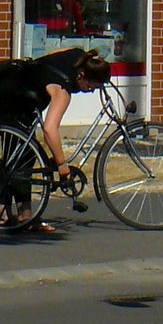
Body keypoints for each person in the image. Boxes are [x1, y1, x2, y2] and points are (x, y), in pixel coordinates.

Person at [0, 48, 110, 226]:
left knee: (23, 153)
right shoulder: (62, 90)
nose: (90, 92)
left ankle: (23, 214)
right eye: (90, 87)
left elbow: (48, 58)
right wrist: (62, 166)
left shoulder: (78, 55)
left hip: (16, 84)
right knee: (19, 156)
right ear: (81, 75)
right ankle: (11, 212)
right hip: (11, 96)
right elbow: (50, 130)